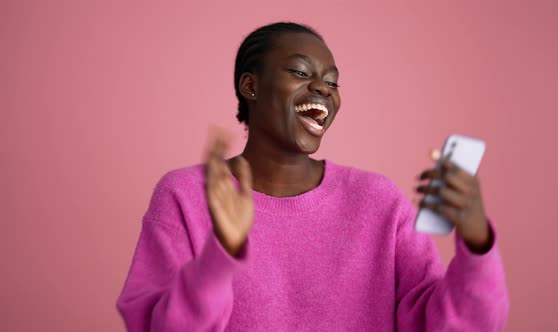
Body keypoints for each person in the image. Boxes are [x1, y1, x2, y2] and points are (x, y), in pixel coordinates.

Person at [117, 22, 509, 331]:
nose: (323, 87)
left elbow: (450, 326)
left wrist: (476, 244)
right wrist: (221, 257)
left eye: (333, 81)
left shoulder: (378, 201)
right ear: (250, 86)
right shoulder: (185, 196)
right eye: (301, 72)